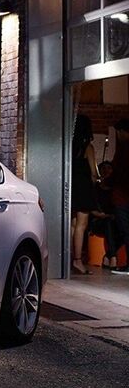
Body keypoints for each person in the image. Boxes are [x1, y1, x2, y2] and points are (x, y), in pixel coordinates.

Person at [71, 115, 99, 275]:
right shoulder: (88, 148)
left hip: (72, 188)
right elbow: (94, 173)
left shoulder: (70, 146)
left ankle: (69, 258)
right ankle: (78, 260)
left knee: (73, 225)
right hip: (83, 189)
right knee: (82, 225)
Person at [91, 161, 119, 270]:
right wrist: (102, 215)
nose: (106, 171)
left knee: (122, 229)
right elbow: (92, 209)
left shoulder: (116, 190)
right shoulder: (95, 189)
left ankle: (108, 256)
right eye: (104, 168)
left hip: (114, 221)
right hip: (99, 221)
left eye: (109, 168)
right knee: (109, 223)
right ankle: (113, 256)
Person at [110, 119, 129, 275]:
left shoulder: (123, 149)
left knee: (125, 230)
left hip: (122, 197)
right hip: (123, 195)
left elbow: (117, 171)